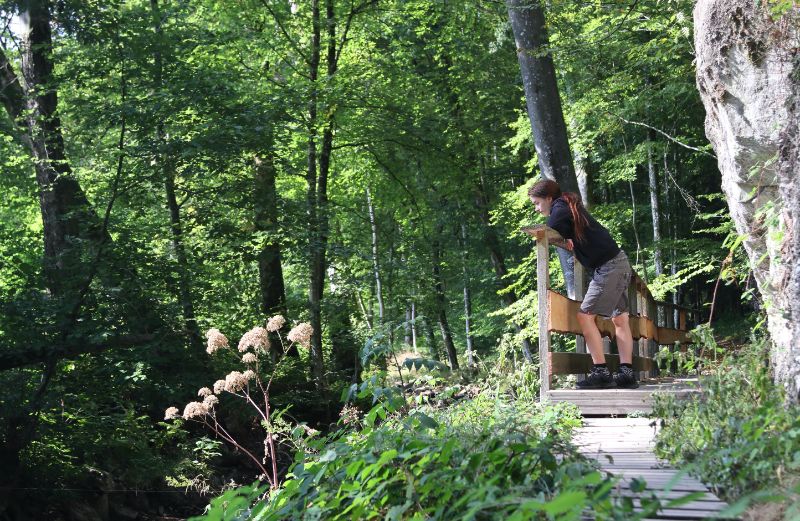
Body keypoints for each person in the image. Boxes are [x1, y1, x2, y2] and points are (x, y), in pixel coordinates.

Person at [528, 179, 638, 389]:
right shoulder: (568, 206)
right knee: (620, 319)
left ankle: (601, 373)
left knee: (585, 316)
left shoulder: (560, 206)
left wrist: (557, 238)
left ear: (549, 198)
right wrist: (567, 240)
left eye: (537, 203)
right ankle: (626, 374)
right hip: (618, 263)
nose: (536, 208)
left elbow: (548, 229)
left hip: (610, 267)